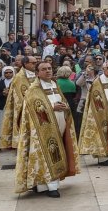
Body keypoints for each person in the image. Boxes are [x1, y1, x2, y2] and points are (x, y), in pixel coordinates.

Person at [13, 60, 80, 198]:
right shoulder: (34, 89)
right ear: (37, 73)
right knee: (46, 155)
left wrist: (65, 107)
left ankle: (42, 185)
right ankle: (51, 186)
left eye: (49, 68)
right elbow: (31, 110)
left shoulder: (55, 85)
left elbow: (62, 102)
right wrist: (52, 108)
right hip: (42, 129)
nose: (48, 71)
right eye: (44, 69)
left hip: (59, 126)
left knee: (55, 154)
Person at [1, 55, 38, 149]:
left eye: (36, 62)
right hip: (24, 108)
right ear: (25, 64)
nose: (35, 64)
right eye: (33, 63)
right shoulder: (19, 77)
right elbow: (18, 96)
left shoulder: (37, 74)